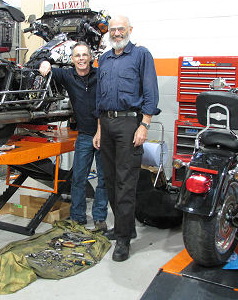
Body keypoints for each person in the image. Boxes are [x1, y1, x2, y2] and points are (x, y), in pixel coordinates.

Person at [93, 15, 160, 262]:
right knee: (109, 179)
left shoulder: (141, 55)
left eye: (121, 29)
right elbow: (100, 98)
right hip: (107, 123)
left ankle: (123, 239)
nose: (117, 33)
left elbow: (151, 93)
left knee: (125, 181)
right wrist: (100, 129)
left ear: (130, 29)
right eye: (113, 30)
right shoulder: (104, 59)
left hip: (130, 123)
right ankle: (126, 227)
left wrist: (144, 125)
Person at [39, 42, 108, 230]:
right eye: (77, 56)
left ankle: (100, 217)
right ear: (72, 59)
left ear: (90, 57)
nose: (81, 59)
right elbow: (47, 65)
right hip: (85, 135)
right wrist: (44, 63)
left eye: (85, 55)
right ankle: (78, 217)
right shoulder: (67, 75)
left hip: (105, 134)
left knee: (103, 179)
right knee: (78, 178)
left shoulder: (101, 75)